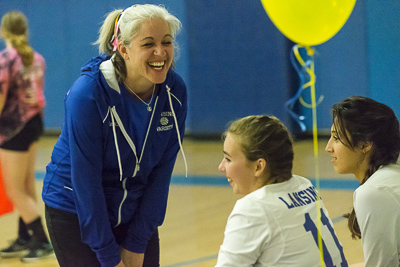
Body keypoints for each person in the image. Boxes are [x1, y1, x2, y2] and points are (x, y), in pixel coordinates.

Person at [42, 4, 187, 267]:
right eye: (148, 44)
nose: (160, 52)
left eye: (166, 42)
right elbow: (87, 184)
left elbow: (161, 175)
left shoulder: (174, 92)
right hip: (75, 210)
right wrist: (109, 257)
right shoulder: (87, 95)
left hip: (134, 211)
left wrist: (137, 241)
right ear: (123, 50)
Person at [216, 115, 348, 266]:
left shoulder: (253, 208)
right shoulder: (304, 185)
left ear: (258, 166)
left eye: (228, 159)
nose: (221, 167)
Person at [0, 11, 54, 262]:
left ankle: (42, 241)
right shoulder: (37, 58)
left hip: (13, 130)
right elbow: (38, 97)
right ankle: (25, 237)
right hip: (34, 125)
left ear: (3, 32)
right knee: (25, 184)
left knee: (14, 190)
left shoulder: (6, 60)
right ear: (25, 31)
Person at [325, 96, 400, 267]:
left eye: (336, 138)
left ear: (365, 144)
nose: (328, 147)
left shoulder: (374, 192)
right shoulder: (391, 171)